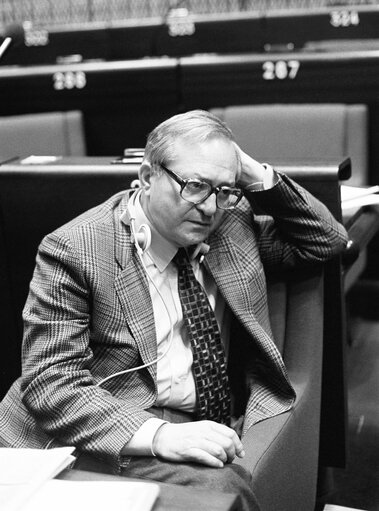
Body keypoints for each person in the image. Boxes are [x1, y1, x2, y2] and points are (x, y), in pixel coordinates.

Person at [0, 110, 348, 510]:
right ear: (147, 177)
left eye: (224, 190)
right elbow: (51, 382)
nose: (209, 207)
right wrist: (159, 434)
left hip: (196, 414)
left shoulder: (230, 226)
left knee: (222, 483)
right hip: (101, 421)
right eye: (196, 186)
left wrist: (253, 174)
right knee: (219, 491)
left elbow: (326, 240)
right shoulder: (77, 249)